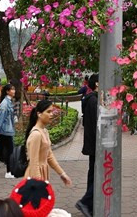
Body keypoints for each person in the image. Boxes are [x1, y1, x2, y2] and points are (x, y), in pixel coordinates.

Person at [24, 100, 73, 187]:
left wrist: (62, 173)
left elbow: (49, 156)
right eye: (48, 112)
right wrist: (39, 184)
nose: (52, 114)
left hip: (42, 173)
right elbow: (33, 162)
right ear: (39, 114)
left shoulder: (44, 131)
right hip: (34, 177)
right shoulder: (36, 134)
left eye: (52, 111)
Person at [75, 73, 98, 217]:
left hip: (91, 143)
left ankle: (90, 205)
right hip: (96, 144)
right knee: (98, 174)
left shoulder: (89, 99)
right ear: (97, 84)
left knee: (93, 174)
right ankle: (85, 202)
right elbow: (97, 124)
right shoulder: (94, 100)